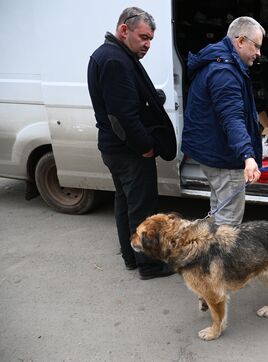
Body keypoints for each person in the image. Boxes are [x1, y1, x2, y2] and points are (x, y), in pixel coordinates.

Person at [87, 7, 177, 280]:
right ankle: (149, 265)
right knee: (142, 209)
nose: (148, 44)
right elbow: (122, 116)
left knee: (124, 203)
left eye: (151, 39)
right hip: (129, 152)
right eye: (144, 37)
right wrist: (145, 147)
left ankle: (131, 257)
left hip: (116, 150)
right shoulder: (115, 60)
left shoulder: (110, 55)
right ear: (124, 30)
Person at [181, 16, 264, 226]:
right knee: (228, 223)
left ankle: (210, 255)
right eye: (256, 46)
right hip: (224, 158)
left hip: (212, 153)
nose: (259, 53)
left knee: (218, 209)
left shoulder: (219, 62)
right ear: (240, 41)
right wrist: (247, 155)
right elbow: (232, 118)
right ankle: (221, 259)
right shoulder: (224, 72)